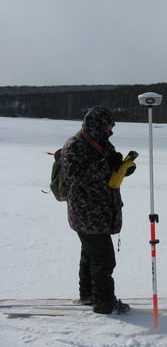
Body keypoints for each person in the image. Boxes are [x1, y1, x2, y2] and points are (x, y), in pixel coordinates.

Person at [60, 106, 135, 314]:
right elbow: (74, 175)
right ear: (98, 125)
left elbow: (107, 166)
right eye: (108, 125)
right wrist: (105, 165)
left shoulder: (101, 141)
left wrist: (121, 167)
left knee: (91, 254)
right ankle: (104, 302)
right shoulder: (74, 145)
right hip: (86, 213)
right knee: (103, 258)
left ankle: (88, 294)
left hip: (99, 211)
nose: (111, 129)